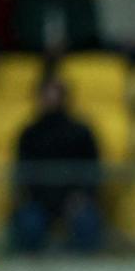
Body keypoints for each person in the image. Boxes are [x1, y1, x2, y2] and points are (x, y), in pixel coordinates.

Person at [10, 75, 103, 252]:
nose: (51, 100)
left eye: (55, 94)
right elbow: (23, 174)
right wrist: (37, 197)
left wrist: (81, 197)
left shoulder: (81, 132)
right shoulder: (29, 134)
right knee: (29, 224)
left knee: (87, 223)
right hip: (39, 200)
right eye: (46, 95)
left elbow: (93, 171)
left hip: (75, 200)